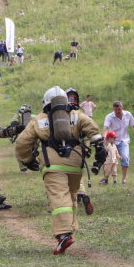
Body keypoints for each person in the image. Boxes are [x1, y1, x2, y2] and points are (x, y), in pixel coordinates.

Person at [16, 86, 105, 254]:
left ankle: (64, 235)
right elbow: (93, 129)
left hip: (53, 165)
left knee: (59, 198)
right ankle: (70, 227)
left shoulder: (39, 119)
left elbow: (22, 143)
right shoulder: (77, 115)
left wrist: (28, 160)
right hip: (75, 164)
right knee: (71, 195)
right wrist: (98, 146)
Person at [103, 101, 134, 184]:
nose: (117, 111)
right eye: (115, 110)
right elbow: (105, 128)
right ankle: (105, 178)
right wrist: (105, 139)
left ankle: (124, 179)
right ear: (113, 109)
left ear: (122, 108)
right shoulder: (109, 117)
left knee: (125, 157)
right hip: (112, 141)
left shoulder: (128, 115)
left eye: (119, 109)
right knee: (107, 159)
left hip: (124, 140)